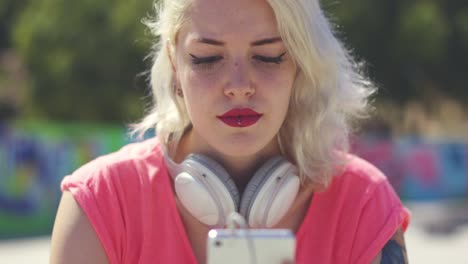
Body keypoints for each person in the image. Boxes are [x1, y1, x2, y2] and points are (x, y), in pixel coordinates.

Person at [50, 0, 411, 263]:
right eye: (207, 58)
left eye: (267, 56)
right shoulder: (99, 205)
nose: (239, 86)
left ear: (300, 64)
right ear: (175, 64)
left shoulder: (365, 204)